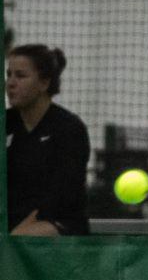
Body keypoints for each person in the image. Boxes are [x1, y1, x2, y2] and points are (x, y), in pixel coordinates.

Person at [5, 44, 90, 236]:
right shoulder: (6, 123)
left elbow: (60, 197)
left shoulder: (69, 129)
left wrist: (12, 238)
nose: (10, 83)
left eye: (20, 76)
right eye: (9, 75)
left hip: (56, 222)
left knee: (22, 238)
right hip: (10, 225)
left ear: (44, 83)